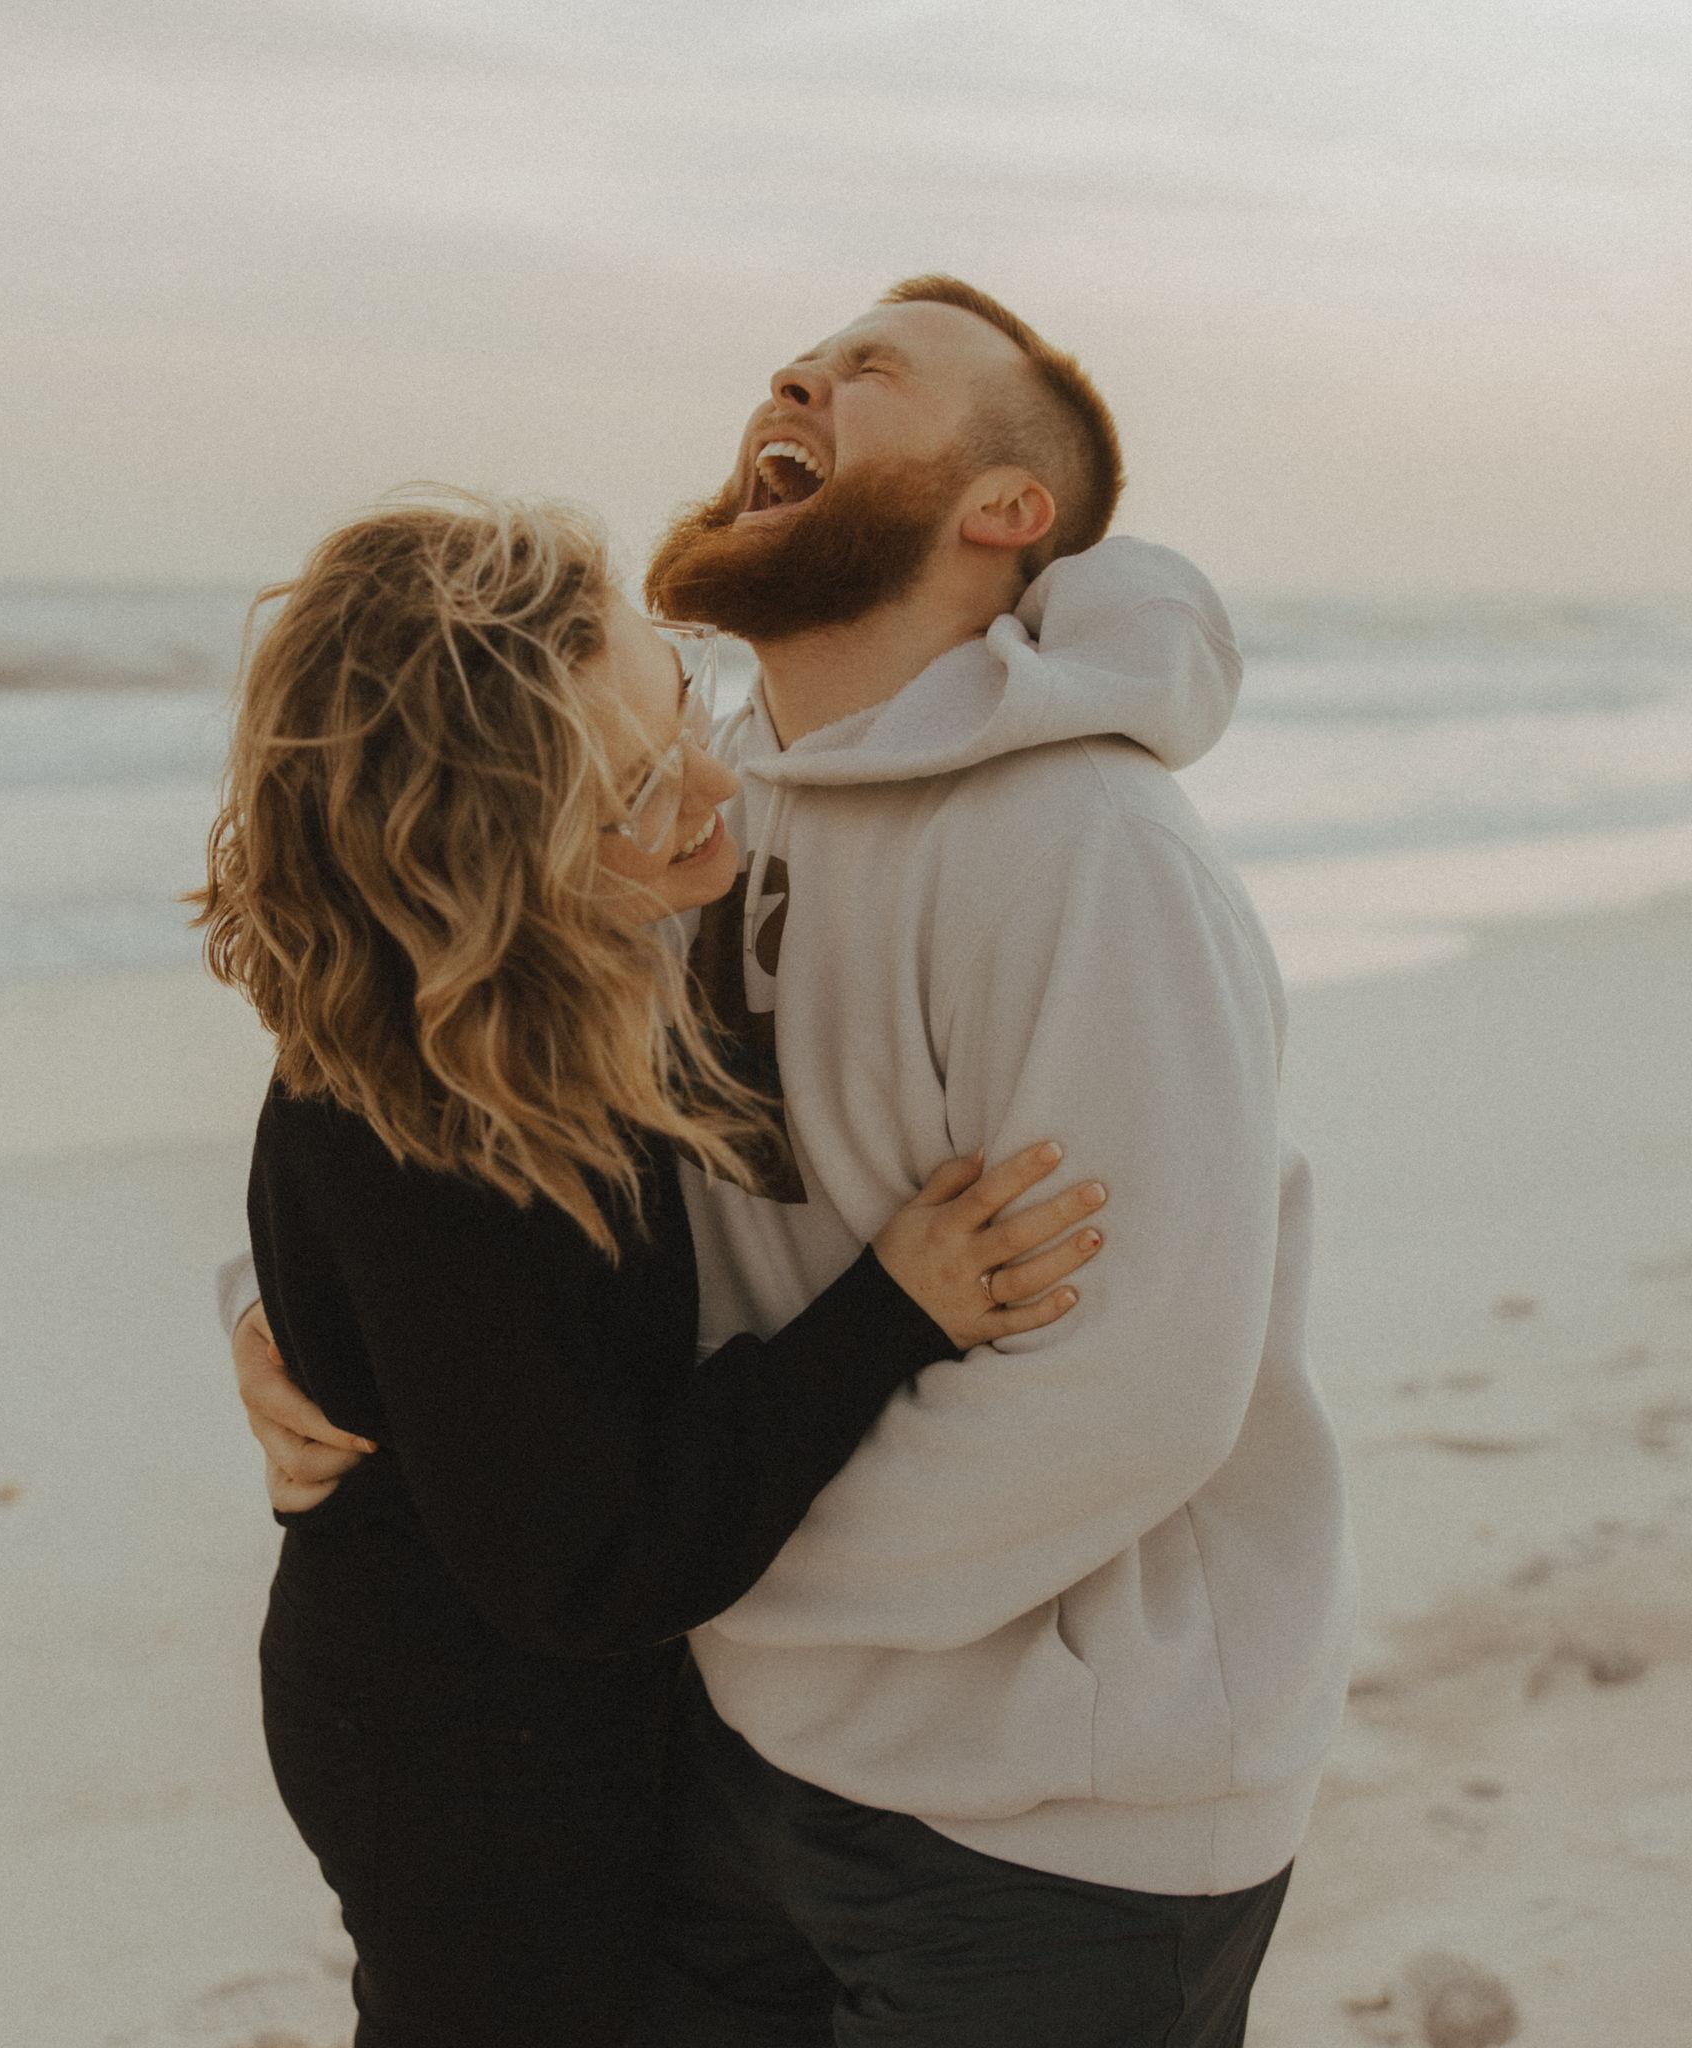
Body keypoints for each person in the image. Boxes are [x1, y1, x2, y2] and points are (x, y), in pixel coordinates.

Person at [229, 275, 1357, 2046]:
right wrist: (294, 1323)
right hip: (731, 1750)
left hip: (1046, 1811)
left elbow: (1137, 1390)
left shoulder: (1086, 855)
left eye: (869, 375)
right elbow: (452, 1077)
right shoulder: (690, 794)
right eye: (798, 363)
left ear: (1002, 512)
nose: (797, 377)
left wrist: (704, 1594)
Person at [189, 488, 1118, 2046]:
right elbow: (595, 1568)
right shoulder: (425, 1129)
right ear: (482, 856)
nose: (710, 779)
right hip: (465, 1756)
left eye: (682, 696)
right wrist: (891, 1311)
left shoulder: (540, 984)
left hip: (543, 1705)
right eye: (628, 788)